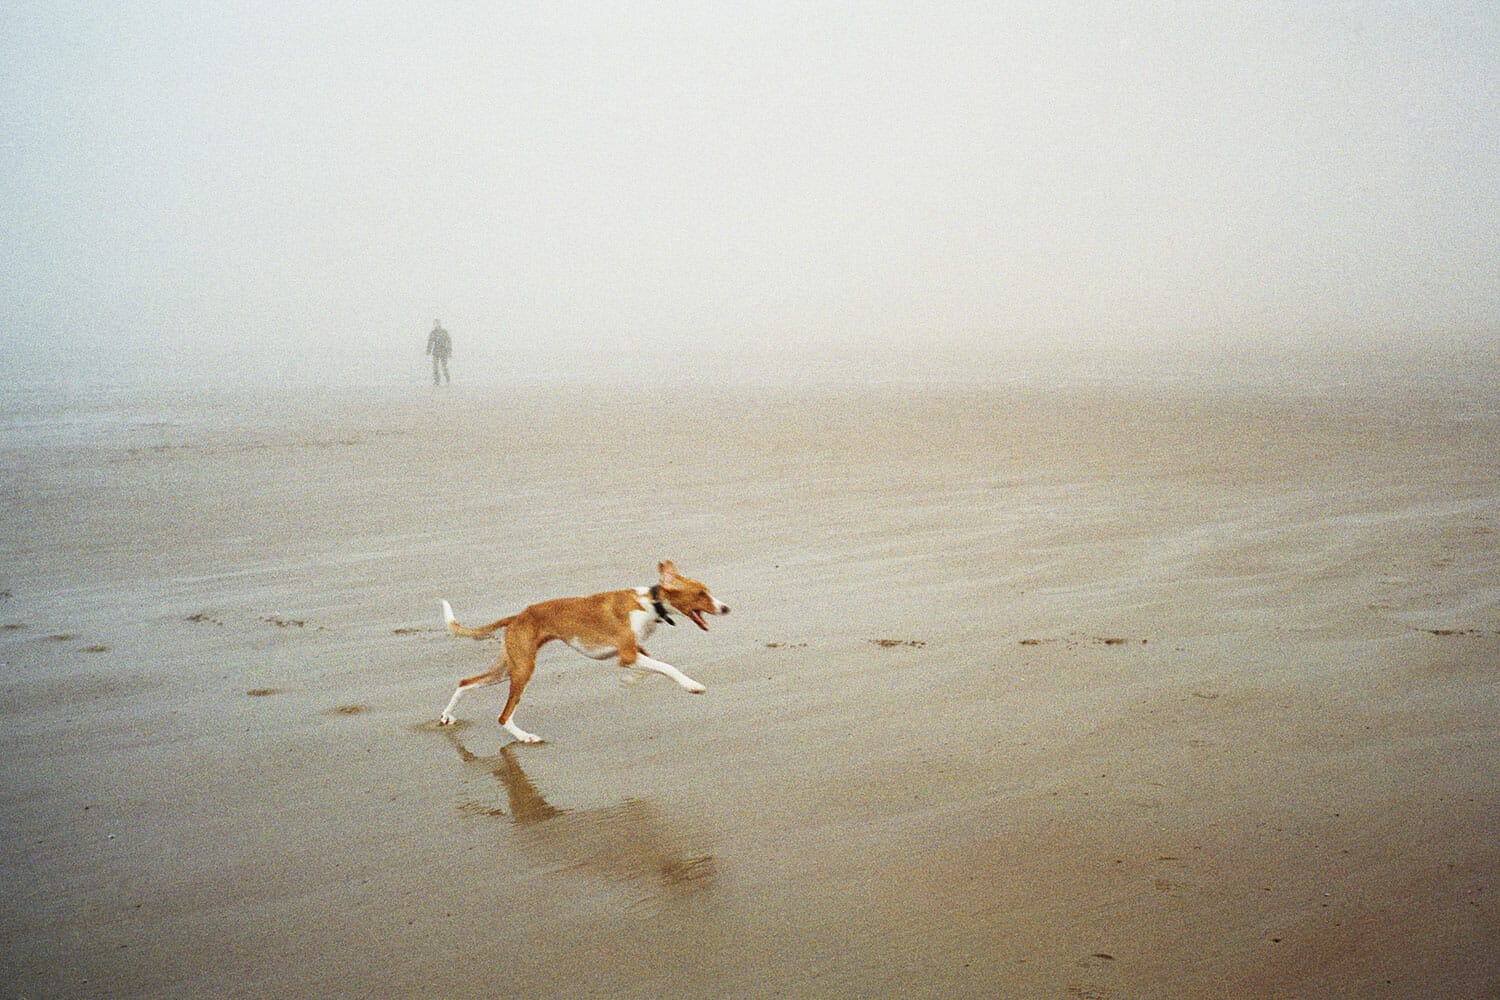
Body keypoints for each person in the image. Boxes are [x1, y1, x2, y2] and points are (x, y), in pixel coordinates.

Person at [425, 320, 452, 385]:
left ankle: (447, 379)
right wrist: (428, 350)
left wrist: (449, 351)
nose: (436, 325)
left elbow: (448, 341)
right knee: (435, 367)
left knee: (444, 367)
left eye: (437, 324)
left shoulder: (444, 332)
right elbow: (430, 342)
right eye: (435, 324)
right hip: (436, 352)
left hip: (444, 352)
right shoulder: (433, 332)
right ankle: (437, 381)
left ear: (440, 324)